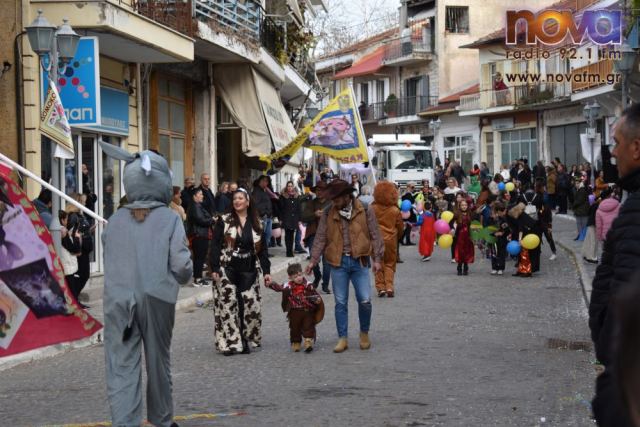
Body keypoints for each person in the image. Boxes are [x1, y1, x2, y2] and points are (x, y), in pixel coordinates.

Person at [100, 143, 192, 427]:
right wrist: (182, 278)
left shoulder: (113, 222)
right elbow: (181, 266)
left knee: (121, 364)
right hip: (157, 298)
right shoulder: (170, 219)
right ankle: (161, 420)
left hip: (119, 302)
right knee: (157, 362)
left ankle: (124, 421)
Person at [589, 104, 640, 427]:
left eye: (616, 143)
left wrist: (613, 396)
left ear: (636, 148)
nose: (612, 154)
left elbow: (628, 304)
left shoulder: (635, 213)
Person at [306, 179, 384, 353]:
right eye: (332, 198)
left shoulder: (365, 209)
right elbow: (320, 238)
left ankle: (364, 332)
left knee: (365, 300)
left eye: (336, 198)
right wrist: (313, 260)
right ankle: (343, 338)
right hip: (337, 262)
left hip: (360, 261)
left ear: (347, 196)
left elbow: (375, 234)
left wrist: (377, 259)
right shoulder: (328, 213)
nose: (333, 201)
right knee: (340, 303)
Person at [209, 189, 271, 356]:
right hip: (227, 267)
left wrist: (266, 271)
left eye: (240, 198)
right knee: (228, 306)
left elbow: (263, 250)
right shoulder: (224, 220)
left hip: (249, 268)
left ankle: (246, 339)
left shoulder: (257, 222)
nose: (237, 201)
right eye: (235, 198)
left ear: (247, 202)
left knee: (251, 306)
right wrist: (214, 268)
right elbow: (215, 245)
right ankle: (230, 343)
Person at [265, 263, 323, 353]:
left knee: (308, 326)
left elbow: (315, 294)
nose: (299, 278)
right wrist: (271, 283)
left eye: (300, 275)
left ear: (302, 273)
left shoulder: (308, 285)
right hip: (294, 311)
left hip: (307, 310)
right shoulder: (288, 286)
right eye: (295, 277)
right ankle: (296, 342)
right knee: (294, 328)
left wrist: (317, 299)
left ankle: (308, 342)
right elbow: (278, 288)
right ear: (290, 278)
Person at [371, 181, 404, 298]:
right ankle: (389, 286)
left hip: (375, 240)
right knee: (390, 264)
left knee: (377, 263)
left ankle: (380, 288)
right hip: (390, 239)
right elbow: (400, 227)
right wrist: (397, 237)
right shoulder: (395, 210)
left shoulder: (372, 208)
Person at [301, 181, 332, 293]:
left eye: (321, 190)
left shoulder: (331, 203)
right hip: (313, 234)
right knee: (313, 259)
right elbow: (303, 216)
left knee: (327, 262)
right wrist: (314, 214)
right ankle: (317, 276)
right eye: (317, 190)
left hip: (328, 235)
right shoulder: (311, 203)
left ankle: (325, 284)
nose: (319, 192)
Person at [66, 193, 94, 302]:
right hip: (80, 250)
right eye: (83, 201)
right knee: (82, 275)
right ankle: (73, 299)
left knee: (84, 274)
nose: (85, 203)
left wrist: (89, 231)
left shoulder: (79, 215)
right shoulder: (73, 216)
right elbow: (72, 233)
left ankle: (74, 299)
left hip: (84, 248)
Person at [187, 188, 215, 287]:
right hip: (199, 235)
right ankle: (197, 279)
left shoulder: (198, 206)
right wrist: (212, 220)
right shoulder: (195, 206)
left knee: (201, 257)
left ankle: (198, 278)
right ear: (194, 196)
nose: (202, 196)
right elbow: (201, 220)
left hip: (202, 234)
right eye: (200, 194)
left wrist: (211, 219)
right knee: (199, 258)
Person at [508, 202, 541, 277]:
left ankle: (527, 271)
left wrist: (520, 240)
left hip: (530, 236)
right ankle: (522, 270)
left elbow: (521, 230)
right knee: (522, 254)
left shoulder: (521, 217)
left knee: (526, 254)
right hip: (529, 235)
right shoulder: (522, 215)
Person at [58, 210, 82, 304]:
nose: (67, 222)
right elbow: (73, 249)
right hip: (67, 264)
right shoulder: (63, 231)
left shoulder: (57, 230)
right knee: (72, 292)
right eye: (66, 219)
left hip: (65, 264)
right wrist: (76, 238)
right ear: (62, 220)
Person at [280, 181, 304, 257]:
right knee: (287, 235)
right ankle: (288, 251)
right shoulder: (283, 196)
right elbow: (281, 209)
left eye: (291, 186)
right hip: (286, 217)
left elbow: (299, 208)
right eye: (288, 186)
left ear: (293, 187)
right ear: (286, 187)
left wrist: (300, 219)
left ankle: (291, 250)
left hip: (294, 218)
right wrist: (280, 219)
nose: (290, 188)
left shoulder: (297, 196)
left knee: (292, 235)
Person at [252, 175, 274, 255]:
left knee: (267, 236)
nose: (266, 183)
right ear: (260, 181)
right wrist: (264, 212)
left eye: (267, 181)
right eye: (264, 181)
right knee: (262, 236)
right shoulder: (256, 191)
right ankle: (261, 253)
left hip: (268, 217)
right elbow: (256, 205)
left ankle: (265, 252)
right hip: (263, 217)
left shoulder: (266, 191)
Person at [452, 199, 474, 275]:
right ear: (459, 206)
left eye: (465, 205)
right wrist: (453, 228)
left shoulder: (470, 214)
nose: (464, 207)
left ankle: (465, 267)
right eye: (462, 205)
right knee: (460, 251)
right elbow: (451, 223)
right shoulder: (457, 214)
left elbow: (473, 224)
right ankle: (459, 267)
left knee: (467, 251)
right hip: (459, 236)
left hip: (468, 236)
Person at [489, 201, 510, 275]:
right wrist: (494, 233)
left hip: (502, 239)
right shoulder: (491, 219)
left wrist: (502, 233)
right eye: (502, 211)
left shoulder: (503, 219)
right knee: (493, 253)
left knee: (501, 254)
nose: (504, 213)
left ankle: (501, 268)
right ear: (498, 211)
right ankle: (494, 267)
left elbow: (507, 229)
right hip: (493, 239)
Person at [573, 173, 590, 240]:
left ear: (580, 183)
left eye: (577, 183)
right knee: (579, 224)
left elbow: (579, 200)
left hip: (583, 210)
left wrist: (573, 205)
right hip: (579, 210)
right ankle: (580, 235)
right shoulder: (579, 190)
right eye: (575, 183)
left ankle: (583, 236)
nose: (576, 184)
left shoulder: (582, 190)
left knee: (583, 224)